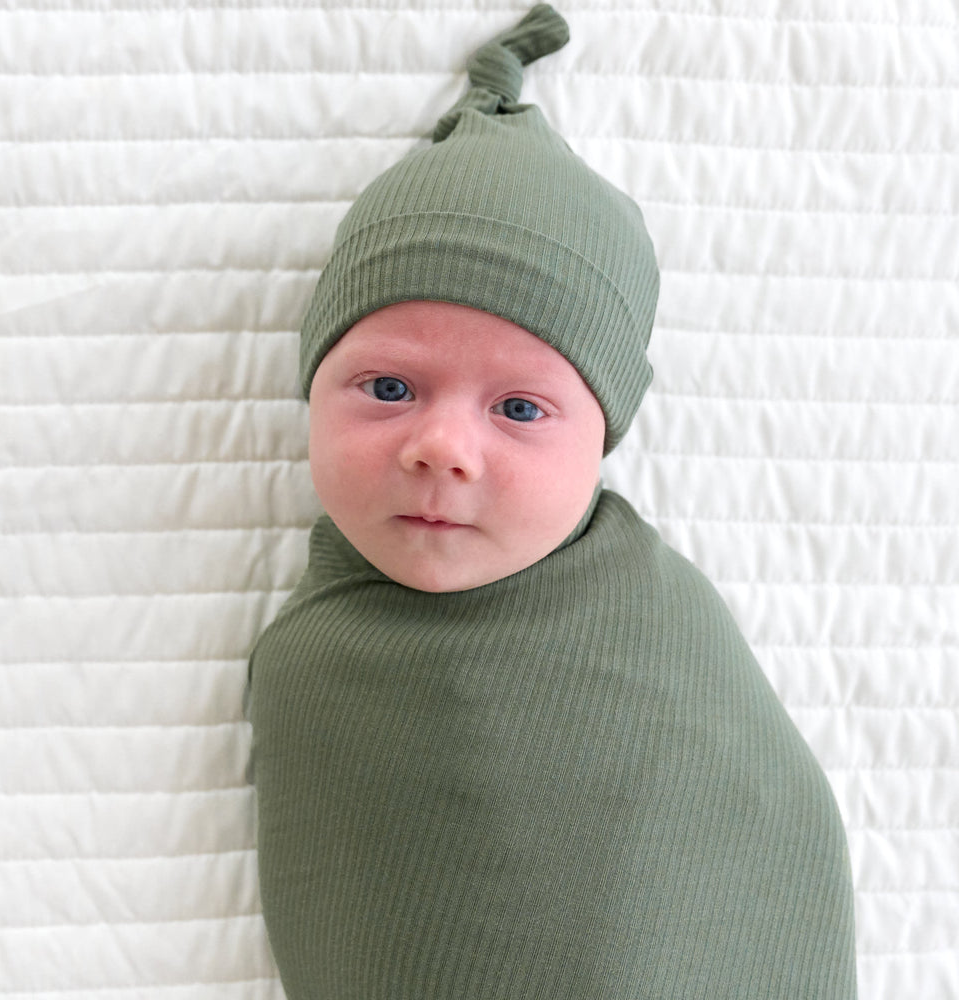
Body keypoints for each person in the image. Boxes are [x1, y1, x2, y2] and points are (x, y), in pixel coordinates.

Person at [247, 6, 858, 997]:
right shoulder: (314, 660)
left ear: (603, 438)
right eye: (388, 388)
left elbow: (754, 853)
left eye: (521, 407)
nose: (441, 448)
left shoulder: (663, 642)